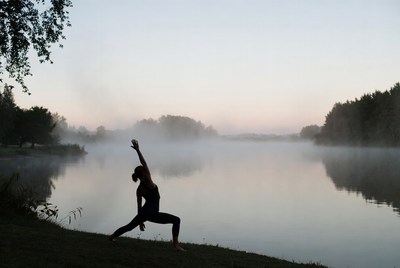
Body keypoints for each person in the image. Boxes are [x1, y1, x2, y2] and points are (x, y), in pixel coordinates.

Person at [109, 139, 185, 251]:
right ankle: (176, 245)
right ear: (144, 172)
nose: (146, 169)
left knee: (129, 227)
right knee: (176, 220)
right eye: (145, 169)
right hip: (152, 213)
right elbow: (144, 162)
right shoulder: (148, 180)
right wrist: (138, 150)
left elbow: (139, 207)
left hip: (145, 213)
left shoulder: (139, 189)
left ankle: (111, 237)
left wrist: (140, 221)